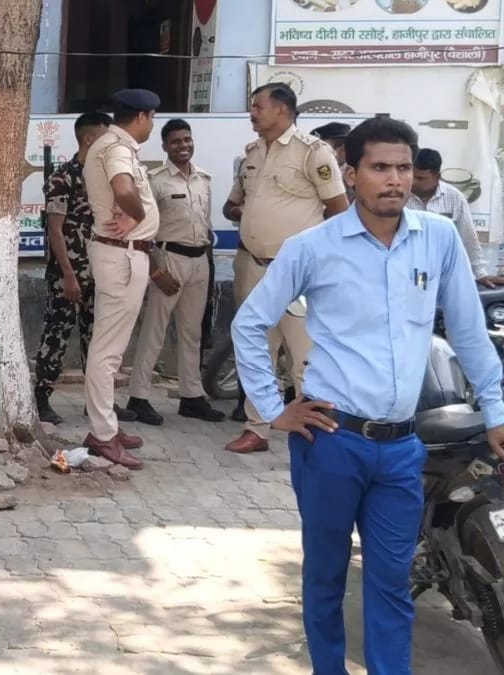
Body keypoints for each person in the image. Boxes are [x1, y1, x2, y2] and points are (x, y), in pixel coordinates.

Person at [233, 116, 504, 675]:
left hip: (403, 448)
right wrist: (275, 408)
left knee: (391, 583)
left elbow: (469, 332)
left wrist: (496, 409)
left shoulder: (438, 238)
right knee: (326, 577)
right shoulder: (314, 247)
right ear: (351, 174)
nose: (395, 179)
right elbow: (249, 323)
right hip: (332, 441)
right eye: (380, 167)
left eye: (403, 167)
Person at [222, 83, 348, 454]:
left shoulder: (313, 152)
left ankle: (318, 432)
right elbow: (232, 205)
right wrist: (253, 215)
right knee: (258, 348)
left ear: (282, 109)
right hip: (253, 265)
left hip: (298, 273)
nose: (252, 112)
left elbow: (338, 209)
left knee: (305, 353)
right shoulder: (252, 153)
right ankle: (256, 428)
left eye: (257, 106)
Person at [34, 112, 138, 426]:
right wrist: (68, 274)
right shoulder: (63, 178)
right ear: (90, 140)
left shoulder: (105, 177)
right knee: (57, 334)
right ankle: (41, 398)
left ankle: (98, 402)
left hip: (102, 269)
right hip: (69, 272)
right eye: (105, 138)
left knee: (99, 338)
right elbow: (55, 230)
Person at [79, 89, 162, 470]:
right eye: (152, 118)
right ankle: (103, 434)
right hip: (122, 254)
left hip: (121, 252)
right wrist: (136, 213)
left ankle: (106, 423)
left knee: (110, 349)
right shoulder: (116, 148)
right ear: (142, 116)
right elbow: (124, 189)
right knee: (108, 352)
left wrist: (134, 213)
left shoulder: (111, 144)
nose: (152, 124)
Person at [125, 118, 225, 425]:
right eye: (176, 141)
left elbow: (206, 225)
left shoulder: (204, 179)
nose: (183, 145)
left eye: (187, 139)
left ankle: (191, 396)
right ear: (165, 146)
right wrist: (156, 271)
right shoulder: (155, 181)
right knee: (154, 331)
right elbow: (142, 230)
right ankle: (138, 396)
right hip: (169, 259)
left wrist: (208, 263)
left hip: (199, 261)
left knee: (192, 333)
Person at [408, 147, 504, 288]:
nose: (413, 182)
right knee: (418, 295)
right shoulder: (401, 197)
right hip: (409, 271)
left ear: (436, 177)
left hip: (444, 272)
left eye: (420, 178)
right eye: (412, 176)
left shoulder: (455, 198)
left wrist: (480, 273)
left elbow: (468, 237)